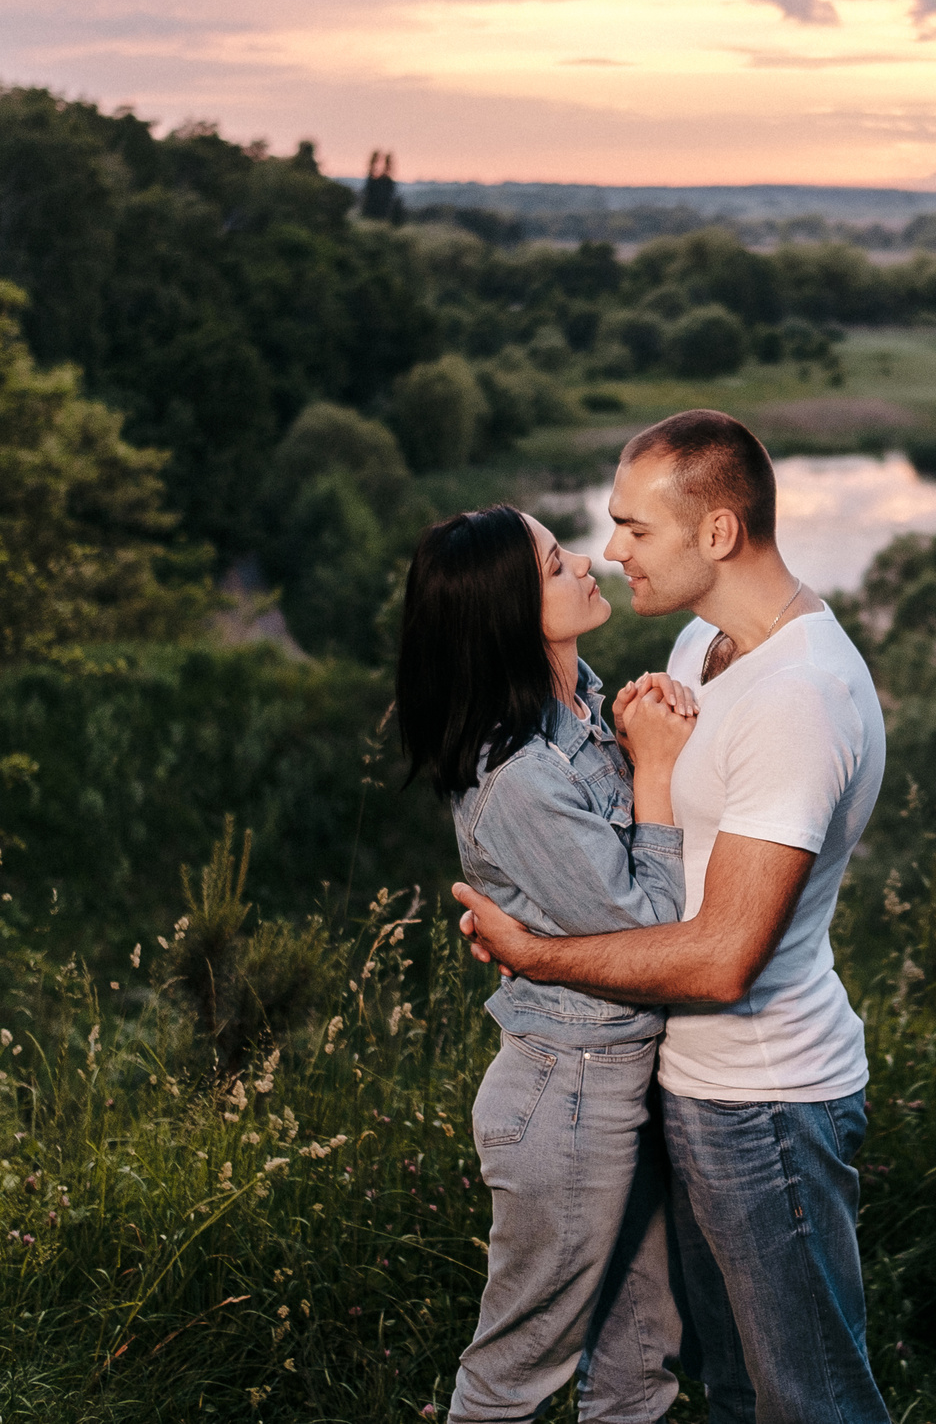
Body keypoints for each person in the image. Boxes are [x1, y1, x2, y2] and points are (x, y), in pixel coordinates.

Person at [454, 410, 892, 1424]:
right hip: (685, 1088)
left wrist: (538, 953)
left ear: (718, 532)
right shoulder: (704, 644)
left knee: (811, 1402)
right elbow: (650, 826)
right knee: (733, 1390)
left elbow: (723, 958)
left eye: (635, 528)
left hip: (766, 1099)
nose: (612, 552)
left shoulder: (802, 696)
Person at [396, 503, 701, 1424]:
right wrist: (655, 768)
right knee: (518, 1369)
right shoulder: (519, 775)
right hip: (570, 1091)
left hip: (626, 1075)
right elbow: (650, 930)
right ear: (508, 614)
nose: (586, 564)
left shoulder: (578, 710)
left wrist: (640, 727)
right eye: (554, 564)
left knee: (641, 1358)